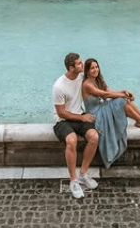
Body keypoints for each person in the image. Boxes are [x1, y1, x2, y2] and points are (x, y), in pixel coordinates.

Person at [82, 58, 140, 168]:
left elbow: (109, 92)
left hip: (101, 108)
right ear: (87, 71)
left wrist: (123, 92)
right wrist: (122, 95)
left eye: (96, 67)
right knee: (122, 101)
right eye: (92, 68)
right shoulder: (87, 84)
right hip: (95, 114)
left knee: (123, 100)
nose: (95, 70)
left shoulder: (98, 80)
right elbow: (106, 95)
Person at [52, 52, 100, 199]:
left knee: (94, 137)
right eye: (79, 63)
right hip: (63, 120)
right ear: (71, 68)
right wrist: (82, 117)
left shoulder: (81, 77)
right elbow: (61, 113)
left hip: (79, 116)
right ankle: (73, 181)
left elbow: (98, 83)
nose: (82, 64)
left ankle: (83, 174)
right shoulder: (59, 86)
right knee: (71, 140)